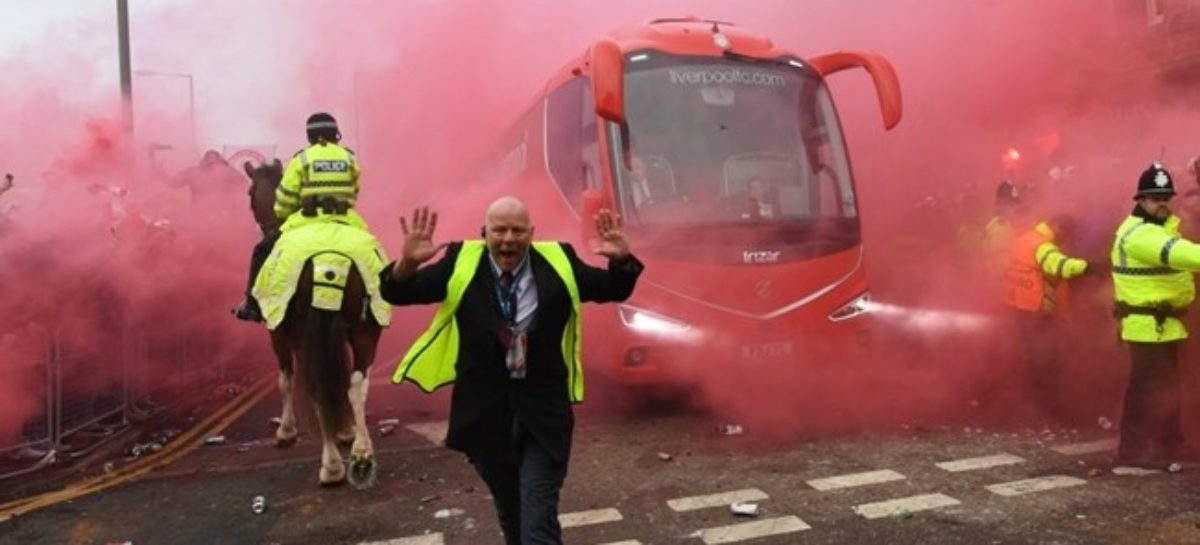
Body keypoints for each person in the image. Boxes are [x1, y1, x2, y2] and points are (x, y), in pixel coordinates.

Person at [381, 197, 642, 544]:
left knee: (537, 524)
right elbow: (397, 293)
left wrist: (622, 260)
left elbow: (612, 288)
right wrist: (407, 265)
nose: (508, 239)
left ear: (531, 234)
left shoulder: (559, 259)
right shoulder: (460, 260)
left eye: (517, 231)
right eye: (499, 230)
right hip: (485, 418)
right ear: (484, 232)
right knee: (513, 518)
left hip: (543, 418)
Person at [1110, 163, 1200, 468]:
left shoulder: (1156, 228)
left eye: (1166, 197)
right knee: (1146, 389)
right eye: (1154, 198)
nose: (1162, 203)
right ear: (1140, 200)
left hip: (1162, 323)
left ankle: (1168, 444)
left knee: (1166, 388)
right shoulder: (1142, 235)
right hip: (1148, 325)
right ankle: (1133, 451)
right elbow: (1188, 255)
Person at [234, 112, 363, 322]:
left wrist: (284, 213)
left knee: (262, 251)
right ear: (336, 134)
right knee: (374, 257)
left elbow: (284, 200)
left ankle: (252, 305)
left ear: (310, 136)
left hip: (307, 221)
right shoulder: (350, 158)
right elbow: (354, 191)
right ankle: (376, 302)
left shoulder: (301, 158)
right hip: (345, 222)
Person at [1003, 214, 1090, 419]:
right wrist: (1089, 267)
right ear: (1057, 226)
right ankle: (1051, 410)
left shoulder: (1023, 239)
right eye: (1066, 234)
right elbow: (1061, 266)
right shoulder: (1044, 246)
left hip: (1020, 307)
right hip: (1039, 312)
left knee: (1033, 359)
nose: (1065, 239)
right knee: (1047, 361)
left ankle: (1032, 405)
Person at [170, 150, 245, 211]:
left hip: (202, 216)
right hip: (220, 216)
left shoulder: (194, 171)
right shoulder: (229, 171)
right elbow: (243, 185)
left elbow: (173, 183)